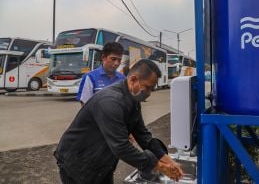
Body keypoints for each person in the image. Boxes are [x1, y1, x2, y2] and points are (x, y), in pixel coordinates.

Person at [54, 59, 184, 184]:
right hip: (79, 162)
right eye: (148, 87)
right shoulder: (110, 102)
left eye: (152, 89)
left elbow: (143, 135)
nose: (149, 93)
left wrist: (166, 160)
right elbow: (121, 147)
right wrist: (159, 166)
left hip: (102, 161)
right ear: (133, 80)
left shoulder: (133, 101)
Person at [76, 42, 125, 106]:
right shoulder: (90, 77)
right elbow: (85, 106)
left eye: (119, 60)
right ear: (103, 57)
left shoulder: (123, 79)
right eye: (113, 59)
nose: (116, 63)